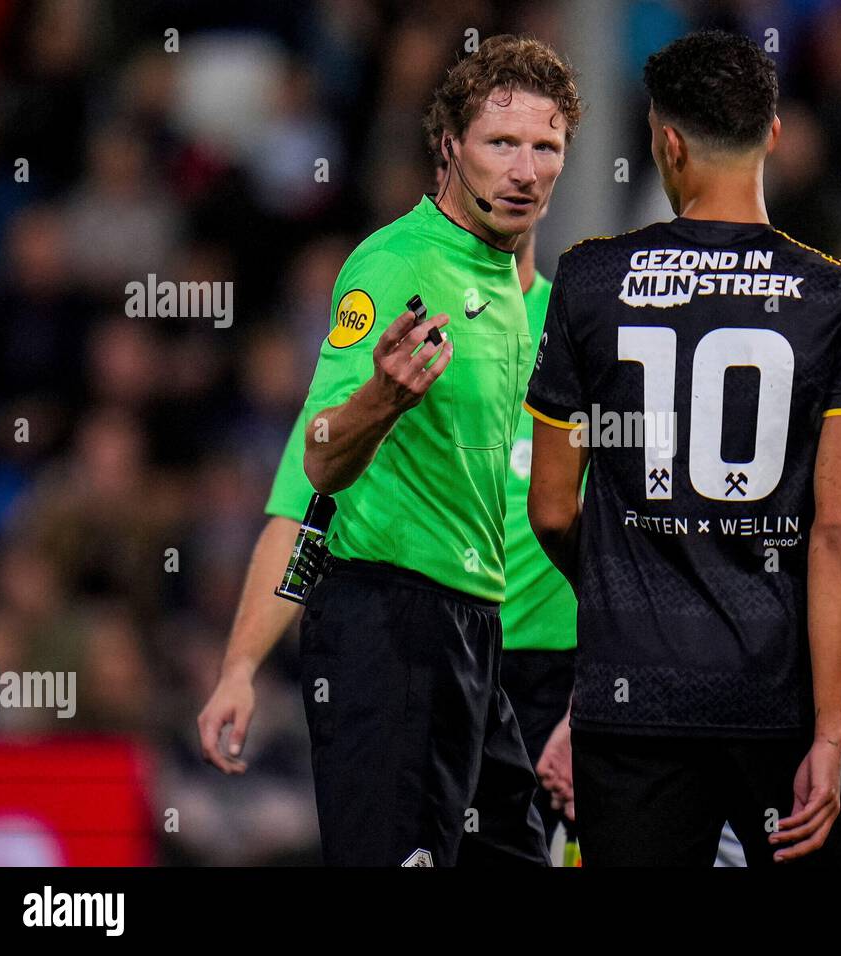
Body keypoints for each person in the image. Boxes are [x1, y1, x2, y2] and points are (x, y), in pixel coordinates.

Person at [525, 30, 841, 866]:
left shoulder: (588, 280)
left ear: (666, 143)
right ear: (774, 136)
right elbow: (840, 533)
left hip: (633, 700)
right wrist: (831, 732)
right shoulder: (838, 300)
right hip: (784, 699)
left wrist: (629, 585)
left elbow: (550, 509)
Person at [298, 34, 580, 866]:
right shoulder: (394, 265)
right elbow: (319, 456)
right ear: (450, 146)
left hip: (472, 625)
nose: (526, 170)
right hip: (390, 619)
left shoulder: (511, 284)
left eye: (547, 147)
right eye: (502, 144)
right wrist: (380, 399)